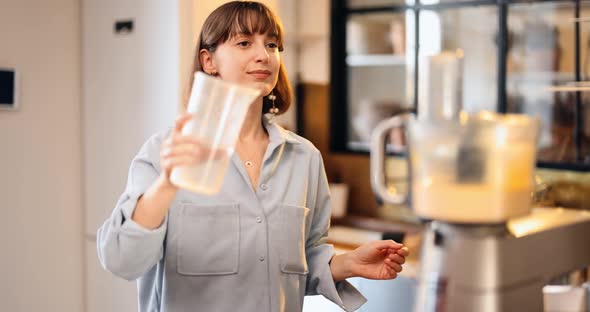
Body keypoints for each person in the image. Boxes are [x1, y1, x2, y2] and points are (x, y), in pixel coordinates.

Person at [97, 2, 409, 312]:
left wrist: (347, 262)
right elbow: (121, 259)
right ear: (209, 61)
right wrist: (166, 183)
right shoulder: (166, 152)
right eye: (244, 42)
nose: (264, 55)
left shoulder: (304, 158)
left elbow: (299, 263)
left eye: (272, 44)